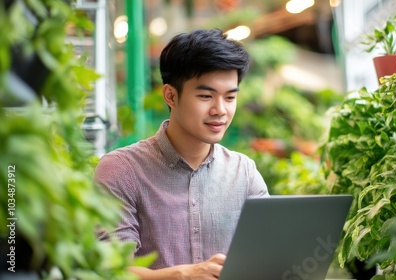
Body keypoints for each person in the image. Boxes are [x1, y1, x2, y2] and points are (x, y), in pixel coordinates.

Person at [94, 28, 269, 279]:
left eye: (230, 97)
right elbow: (110, 269)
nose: (220, 110)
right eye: (206, 96)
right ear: (171, 96)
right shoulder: (121, 170)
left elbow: (270, 254)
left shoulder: (244, 172)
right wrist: (182, 275)